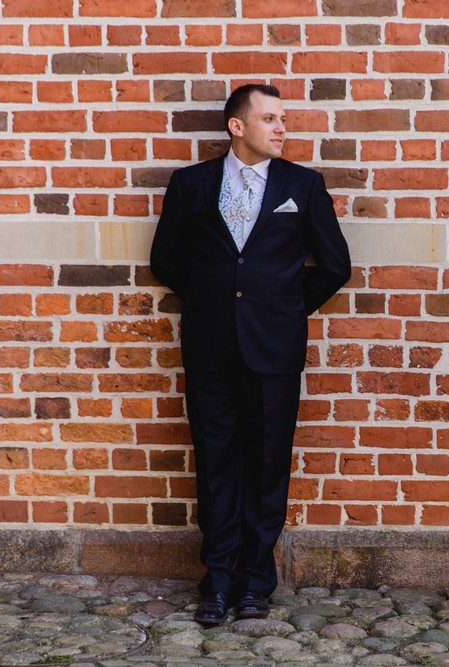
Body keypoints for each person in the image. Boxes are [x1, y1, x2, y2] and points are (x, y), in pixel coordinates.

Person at [150, 84, 351, 625]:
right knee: (215, 464)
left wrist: (283, 308)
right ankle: (214, 580)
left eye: (283, 119)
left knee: (266, 466)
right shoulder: (190, 184)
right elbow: (165, 258)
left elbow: (335, 266)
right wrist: (217, 301)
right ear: (237, 127)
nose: (281, 128)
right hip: (211, 346)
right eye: (270, 118)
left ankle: (255, 581)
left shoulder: (302, 186)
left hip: (274, 348)